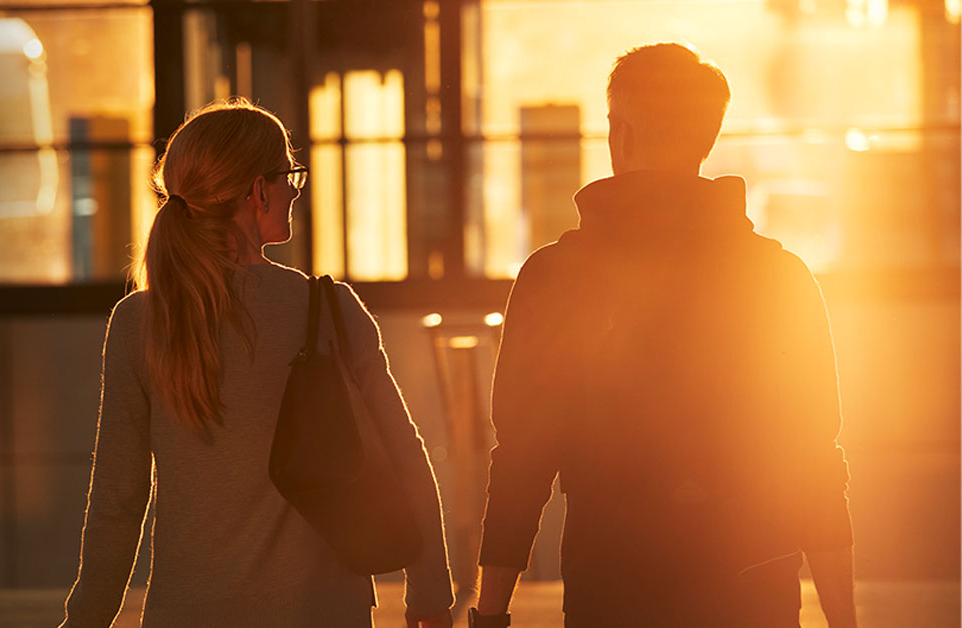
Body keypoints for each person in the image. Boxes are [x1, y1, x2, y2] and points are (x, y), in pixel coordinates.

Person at [468, 43, 857, 628]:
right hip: (754, 593)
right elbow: (816, 463)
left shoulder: (554, 278)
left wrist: (491, 614)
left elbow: (522, 461)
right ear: (706, 136)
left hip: (614, 592)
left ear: (618, 134)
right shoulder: (781, 276)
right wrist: (844, 622)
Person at [59, 100, 454, 628]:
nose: (295, 190)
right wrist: (430, 596)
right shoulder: (328, 310)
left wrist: (87, 619)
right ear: (258, 191)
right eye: (288, 175)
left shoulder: (138, 321)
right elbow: (407, 460)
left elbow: (118, 496)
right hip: (323, 613)